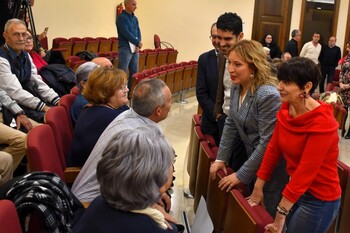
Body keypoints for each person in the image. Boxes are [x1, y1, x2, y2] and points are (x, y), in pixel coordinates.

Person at [248, 57, 341, 233]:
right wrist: (258, 186)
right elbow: (273, 149)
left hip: (319, 200)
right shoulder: (286, 108)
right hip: (296, 192)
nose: (279, 87)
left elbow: (306, 172)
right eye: (280, 80)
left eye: (287, 82)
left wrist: (280, 213)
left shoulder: (323, 123)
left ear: (307, 87)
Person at [209, 40, 289, 217]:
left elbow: (267, 142)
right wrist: (221, 158)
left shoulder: (267, 94)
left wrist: (240, 175)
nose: (230, 69)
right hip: (253, 162)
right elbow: (231, 123)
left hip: (272, 171)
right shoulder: (238, 85)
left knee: (268, 217)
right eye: (229, 62)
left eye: (237, 64)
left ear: (253, 67)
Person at [72, 78, 172, 204]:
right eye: (169, 101)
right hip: (92, 204)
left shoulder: (128, 114)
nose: (171, 105)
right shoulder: (140, 137)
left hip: (99, 197)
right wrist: (158, 193)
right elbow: (157, 181)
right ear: (158, 111)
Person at [73, 125, 178, 233]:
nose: (172, 168)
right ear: (158, 179)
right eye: (171, 163)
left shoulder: (99, 202)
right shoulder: (154, 228)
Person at [0, 18, 60, 123]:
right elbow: (15, 92)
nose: (21, 38)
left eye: (24, 34)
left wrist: (55, 99)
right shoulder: (1, 59)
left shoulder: (26, 55)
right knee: (50, 121)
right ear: (5, 36)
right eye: (16, 34)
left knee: (59, 112)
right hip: (11, 106)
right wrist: (43, 107)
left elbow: (36, 81)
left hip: (27, 99)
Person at [67, 66, 129, 167]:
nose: (127, 90)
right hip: (92, 177)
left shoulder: (101, 108)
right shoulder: (107, 117)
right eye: (121, 88)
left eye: (125, 85)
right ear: (106, 91)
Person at [213, 12, 244, 138]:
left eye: (227, 39)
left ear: (240, 36)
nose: (221, 43)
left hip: (243, 125)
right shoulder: (221, 55)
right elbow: (222, 87)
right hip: (224, 118)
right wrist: (218, 114)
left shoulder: (252, 60)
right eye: (219, 38)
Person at [196, 22, 220, 144]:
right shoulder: (204, 59)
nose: (216, 40)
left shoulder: (236, 59)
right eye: (213, 37)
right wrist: (217, 115)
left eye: (219, 37)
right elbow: (201, 93)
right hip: (211, 123)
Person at [70, 58, 112, 126]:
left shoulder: (93, 99)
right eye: (97, 78)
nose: (102, 80)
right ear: (84, 84)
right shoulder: (86, 104)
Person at [116, 0, 142, 92]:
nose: (136, 7)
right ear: (127, 4)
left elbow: (138, 31)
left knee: (134, 73)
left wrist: (138, 43)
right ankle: (120, 94)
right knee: (122, 73)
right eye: (134, 4)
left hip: (135, 48)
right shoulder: (121, 18)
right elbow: (125, 32)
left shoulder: (135, 18)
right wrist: (137, 42)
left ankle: (131, 94)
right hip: (125, 48)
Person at [339, 41, 350, 139]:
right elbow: (342, 72)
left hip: (349, 87)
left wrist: (348, 85)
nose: (347, 49)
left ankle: (349, 132)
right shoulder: (346, 58)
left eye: (348, 47)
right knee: (344, 109)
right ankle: (342, 129)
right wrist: (341, 83)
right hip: (344, 89)